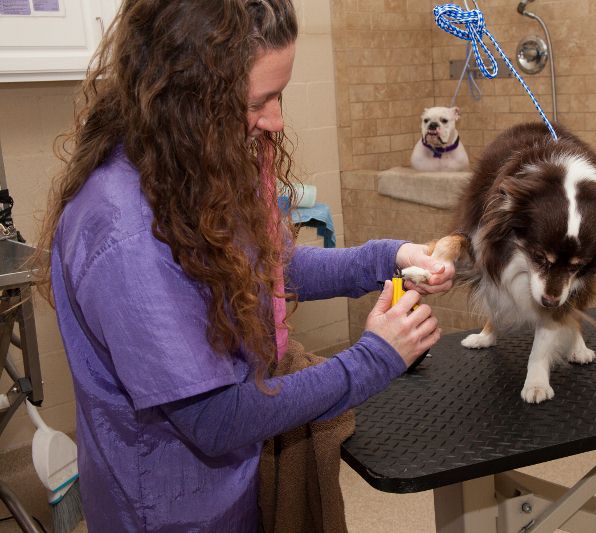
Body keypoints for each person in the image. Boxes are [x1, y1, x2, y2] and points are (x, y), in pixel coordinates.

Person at [36, 0, 455, 531]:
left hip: (233, 488)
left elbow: (261, 269)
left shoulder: (187, 161)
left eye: (280, 95)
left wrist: (385, 259)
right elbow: (216, 420)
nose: (276, 120)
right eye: (259, 101)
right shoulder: (127, 236)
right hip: (174, 512)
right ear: (187, 94)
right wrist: (372, 359)